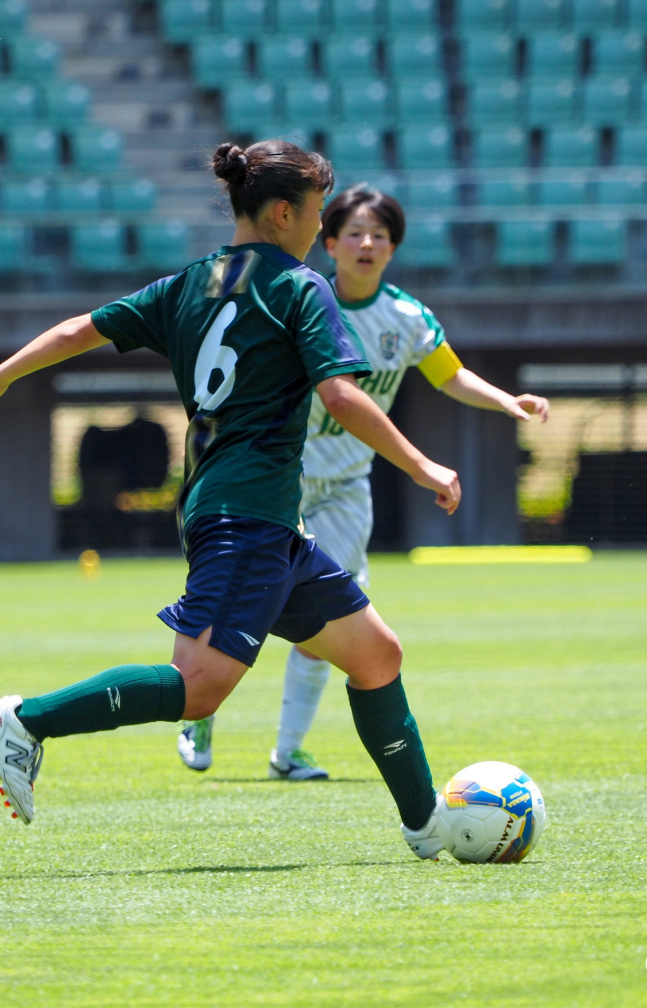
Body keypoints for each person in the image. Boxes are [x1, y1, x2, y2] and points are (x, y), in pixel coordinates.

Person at [0, 141, 460, 859]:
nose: (324, 234)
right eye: (320, 216)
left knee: (377, 654)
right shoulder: (299, 286)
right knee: (197, 692)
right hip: (243, 515)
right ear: (284, 212)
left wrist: (3, 374)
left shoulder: (188, 283)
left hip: (258, 521)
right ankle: (25, 720)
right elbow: (340, 393)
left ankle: (425, 825)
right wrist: (419, 464)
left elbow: (82, 329)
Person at [176, 185, 550, 780]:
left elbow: (449, 376)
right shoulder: (300, 298)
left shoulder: (405, 319)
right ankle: (197, 703)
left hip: (348, 487)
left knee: (321, 623)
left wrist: (509, 402)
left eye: (380, 234)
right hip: (279, 479)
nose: (367, 243)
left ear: (394, 248)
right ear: (329, 241)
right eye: (354, 232)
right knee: (237, 596)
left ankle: (287, 752)